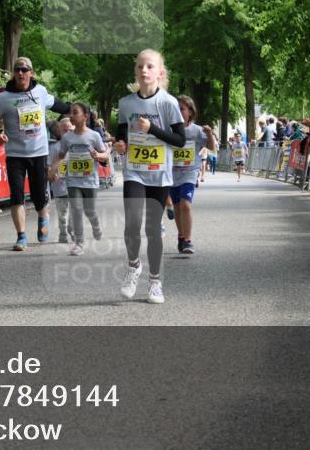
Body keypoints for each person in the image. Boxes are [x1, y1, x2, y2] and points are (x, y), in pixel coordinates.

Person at [113, 49, 185, 304]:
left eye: (150, 66)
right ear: (136, 71)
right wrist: (120, 145)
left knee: (152, 229)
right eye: (141, 66)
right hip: (134, 170)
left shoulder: (168, 103)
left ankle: (155, 282)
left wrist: (152, 128)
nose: (144, 70)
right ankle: (134, 267)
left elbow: (179, 140)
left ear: (160, 73)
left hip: (159, 174)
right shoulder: (126, 103)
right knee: (132, 223)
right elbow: (121, 135)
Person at [0, 56, 71, 251]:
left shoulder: (40, 92)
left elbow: (58, 104)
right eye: (17, 70)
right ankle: (21, 236)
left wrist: (75, 109)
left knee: (39, 195)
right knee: (17, 195)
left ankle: (43, 217)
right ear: (14, 73)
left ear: (31, 72)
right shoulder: (4, 97)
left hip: (38, 152)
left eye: (25, 69)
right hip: (15, 154)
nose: (21, 73)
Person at [50, 103, 108, 256]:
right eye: (70, 113)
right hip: (73, 180)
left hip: (90, 180)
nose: (71, 116)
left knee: (90, 211)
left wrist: (98, 155)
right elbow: (61, 156)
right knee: (76, 210)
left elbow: (105, 155)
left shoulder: (94, 135)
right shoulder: (67, 138)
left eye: (75, 113)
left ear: (85, 116)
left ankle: (96, 226)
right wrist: (53, 168)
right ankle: (79, 243)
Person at [169, 95, 214, 255]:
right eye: (175, 109)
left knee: (185, 205)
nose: (178, 112)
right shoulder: (169, 129)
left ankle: (188, 241)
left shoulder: (197, 130)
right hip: (172, 173)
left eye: (181, 109)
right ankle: (181, 236)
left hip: (190, 171)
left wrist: (209, 134)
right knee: (176, 207)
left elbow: (211, 147)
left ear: (190, 112)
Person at [47, 118, 72, 243]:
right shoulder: (55, 147)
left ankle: (72, 230)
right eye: (64, 130)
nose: (67, 133)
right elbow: (48, 165)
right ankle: (63, 234)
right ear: (60, 131)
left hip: (76, 185)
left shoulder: (80, 146)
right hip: (59, 185)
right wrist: (50, 173)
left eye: (70, 130)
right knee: (62, 214)